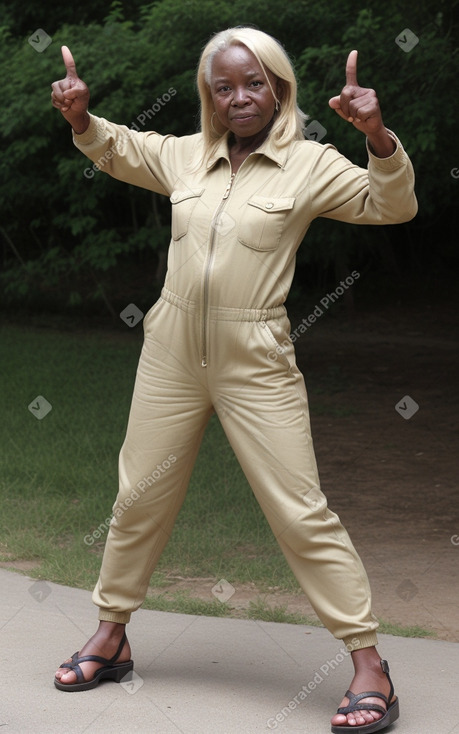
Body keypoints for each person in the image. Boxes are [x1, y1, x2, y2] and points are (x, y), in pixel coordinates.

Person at [51, 26, 417, 732]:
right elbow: (118, 147)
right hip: (170, 349)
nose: (239, 97)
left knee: (299, 509)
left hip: (256, 356)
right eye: (224, 86)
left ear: (278, 88)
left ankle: (369, 663)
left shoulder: (310, 163)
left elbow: (390, 204)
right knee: (137, 497)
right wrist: (80, 118)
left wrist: (376, 135)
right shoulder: (185, 156)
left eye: (254, 83)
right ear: (208, 96)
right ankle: (112, 632)